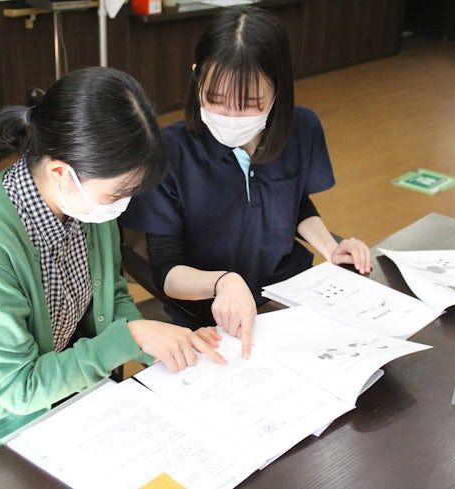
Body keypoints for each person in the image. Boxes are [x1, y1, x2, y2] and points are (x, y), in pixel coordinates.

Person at [0, 67, 225, 471]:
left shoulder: (83, 204)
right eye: (117, 192)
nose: (123, 204)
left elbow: (110, 294)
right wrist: (132, 337)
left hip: (67, 387)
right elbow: (18, 388)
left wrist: (163, 346)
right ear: (62, 171)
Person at [121, 7, 372, 359]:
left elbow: (294, 201)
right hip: (207, 317)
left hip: (287, 298)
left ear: (278, 89)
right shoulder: (169, 152)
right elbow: (166, 270)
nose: (230, 118)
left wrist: (330, 247)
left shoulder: (302, 129)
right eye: (215, 99)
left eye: (250, 104)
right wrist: (222, 282)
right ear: (197, 78)